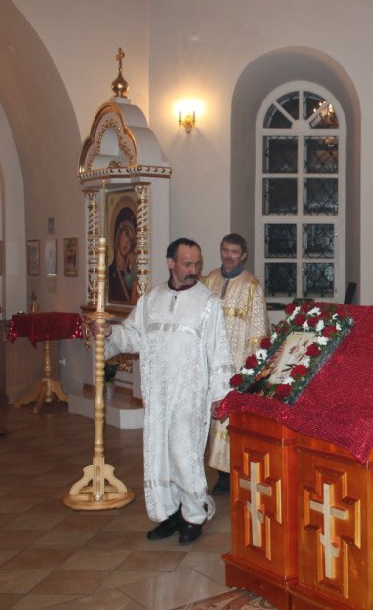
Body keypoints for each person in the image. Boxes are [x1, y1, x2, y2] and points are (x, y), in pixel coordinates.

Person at [101, 238, 233, 544]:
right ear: (170, 263)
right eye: (187, 263)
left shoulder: (208, 303)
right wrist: (108, 332)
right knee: (158, 452)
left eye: (197, 263)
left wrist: (220, 394)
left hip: (190, 394)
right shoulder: (151, 299)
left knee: (184, 454)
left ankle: (194, 515)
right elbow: (133, 336)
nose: (193, 269)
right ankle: (169, 512)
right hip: (157, 394)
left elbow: (219, 351)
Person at [202, 233, 270, 495]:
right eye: (225, 250)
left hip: (237, 363)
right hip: (211, 360)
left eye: (234, 252)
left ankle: (233, 473)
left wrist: (250, 368)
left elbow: (258, 329)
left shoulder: (251, 285)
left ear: (243, 256)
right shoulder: (210, 280)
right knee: (213, 417)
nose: (228, 256)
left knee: (231, 419)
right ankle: (220, 474)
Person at [108, 207, 138, 305]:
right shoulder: (109, 273)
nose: (127, 242)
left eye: (130, 240)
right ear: (118, 234)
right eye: (126, 234)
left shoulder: (132, 274)